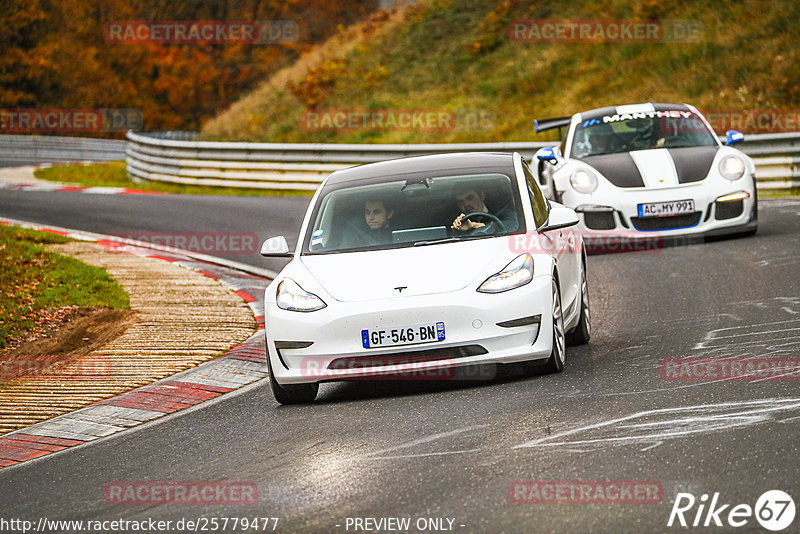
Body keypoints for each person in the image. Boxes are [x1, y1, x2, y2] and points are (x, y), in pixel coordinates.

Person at [450, 186, 515, 234]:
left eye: (470, 198)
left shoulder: (502, 211)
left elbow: (513, 226)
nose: (466, 204)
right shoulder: (460, 221)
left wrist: (475, 226)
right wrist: (457, 228)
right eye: (461, 202)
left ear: (481, 196)